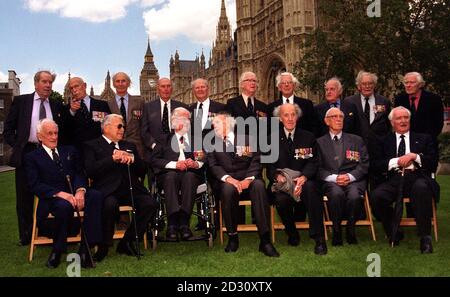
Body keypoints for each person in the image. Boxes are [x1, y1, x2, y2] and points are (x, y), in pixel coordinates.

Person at [24, 119, 103, 268]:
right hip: (52, 198)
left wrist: (80, 190)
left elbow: (80, 173)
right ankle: (57, 250)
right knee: (63, 206)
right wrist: (60, 194)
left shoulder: (69, 151)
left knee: (96, 196)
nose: (54, 137)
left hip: (74, 193)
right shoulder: (32, 157)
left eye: (56, 133)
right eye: (50, 134)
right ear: (40, 136)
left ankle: (85, 248)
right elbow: (34, 185)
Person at [4, 70, 68, 246]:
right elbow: (8, 129)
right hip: (28, 152)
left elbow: (64, 131)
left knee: (51, 192)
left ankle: (48, 230)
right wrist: (19, 146)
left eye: (50, 82)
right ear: (36, 83)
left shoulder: (56, 105)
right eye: (44, 82)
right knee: (24, 197)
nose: (48, 85)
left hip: (50, 153)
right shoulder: (21, 101)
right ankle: (26, 236)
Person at [84, 114, 156, 261]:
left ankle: (126, 242)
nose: (122, 129)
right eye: (119, 126)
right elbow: (90, 170)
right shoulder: (92, 145)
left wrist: (133, 159)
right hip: (107, 190)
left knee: (150, 204)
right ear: (106, 128)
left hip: (130, 188)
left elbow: (142, 170)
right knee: (109, 204)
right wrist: (112, 159)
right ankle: (104, 246)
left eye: (123, 126)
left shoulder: (129, 146)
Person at [207, 112, 280, 257]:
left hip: (250, 181)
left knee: (259, 186)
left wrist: (248, 179)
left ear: (228, 124)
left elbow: (256, 161)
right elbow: (214, 166)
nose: (214, 127)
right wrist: (229, 179)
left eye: (217, 124)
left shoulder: (248, 139)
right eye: (213, 125)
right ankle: (233, 237)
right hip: (229, 182)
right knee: (227, 190)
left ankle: (265, 240)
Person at [370, 107, 439, 253]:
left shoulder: (424, 138)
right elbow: (375, 165)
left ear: (410, 120)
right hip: (394, 178)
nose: (403, 121)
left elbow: (432, 162)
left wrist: (415, 157)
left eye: (405, 118)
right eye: (399, 118)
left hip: (417, 177)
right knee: (377, 196)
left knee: (421, 188)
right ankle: (393, 230)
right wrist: (397, 161)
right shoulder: (383, 141)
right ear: (392, 122)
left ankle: (425, 237)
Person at [267, 103, 327, 255]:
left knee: (312, 190)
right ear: (280, 118)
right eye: (286, 115)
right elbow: (269, 166)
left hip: (304, 181)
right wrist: (277, 176)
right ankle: (292, 233)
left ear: (297, 117)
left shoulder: (308, 137)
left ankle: (319, 238)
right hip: (283, 184)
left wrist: (304, 177)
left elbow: (314, 162)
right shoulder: (270, 139)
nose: (290, 118)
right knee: (280, 200)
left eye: (293, 114)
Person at [316, 107, 369, 245]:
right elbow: (317, 167)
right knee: (336, 194)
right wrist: (334, 178)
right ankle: (337, 229)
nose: (339, 119)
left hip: (353, 180)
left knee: (354, 196)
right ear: (326, 121)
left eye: (341, 117)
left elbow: (364, 164)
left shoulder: (356, 140)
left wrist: (350, 176)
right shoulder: (319, 143)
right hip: (331, 181)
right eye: (334, 117)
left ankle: (350, 229)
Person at [151, 107, 204, 241]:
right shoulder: (163, 140)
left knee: (190, 177)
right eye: (183, 119)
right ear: (174, 122)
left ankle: (184, 223)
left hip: (190, 174)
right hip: (169, 174)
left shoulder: (196, 139)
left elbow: (205, 158)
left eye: (188, 119)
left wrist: (196, 163)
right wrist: (175, 164)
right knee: (171, 176)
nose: (187, 122)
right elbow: (154, 160)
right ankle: (172, 224)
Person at [188, 78, 225, 230]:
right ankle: (202, 220)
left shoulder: (220, 107)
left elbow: (225, 131)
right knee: (198, 185)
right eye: (197, 88)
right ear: (194, 91)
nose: (201, 90)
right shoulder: (189, 109)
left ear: (208, 88)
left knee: (216, 186)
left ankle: (217, 220)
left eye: (203, 87)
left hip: (216, 155)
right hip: (197, 155)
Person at [394, 72, 444, 172]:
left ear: (420, 84)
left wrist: (423, 141)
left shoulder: (434, 99)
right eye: (406, 82)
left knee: (426, 181)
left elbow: (438, 125)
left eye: (411, 82)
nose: (408, 85)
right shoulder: (399, 99)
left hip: (426, 145)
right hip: (405, 145)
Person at [141, 77, 188, 181]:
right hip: (155, 154)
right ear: (158, 89)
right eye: (163, 86)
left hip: (177, 152)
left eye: (168, 86)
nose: (166, 89)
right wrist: (155, 146)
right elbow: (144, 131)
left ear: (172, 89)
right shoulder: (148, 107)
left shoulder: (182, 106)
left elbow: (188, 130)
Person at [267, 72, 320, 136]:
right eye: (283, 83)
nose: (286, 85)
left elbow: (313, 128)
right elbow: (270, 131)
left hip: (302, 143)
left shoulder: (307, 105)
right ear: (279, 87)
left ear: (294, 85)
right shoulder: (271, 108)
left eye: (289, 82)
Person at [66, 76, 110, 152]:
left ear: (85, 86)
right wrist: (72, 111)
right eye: (71, 88)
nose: (74, 90)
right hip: (78, 152)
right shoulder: (67, 109)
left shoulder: (102, 105)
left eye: (76, 86)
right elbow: (65, 130)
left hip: (100, 150)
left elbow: (109, 125)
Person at [108, 72, 145, 160]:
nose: (120, 84)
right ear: (113, 84)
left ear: (128, 83)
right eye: (117, 81)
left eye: (123, 81)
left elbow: (144, 125)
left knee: (137, 173)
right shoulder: (108, 104)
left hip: (137, 148)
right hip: (115, 149)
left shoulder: (139, 102)